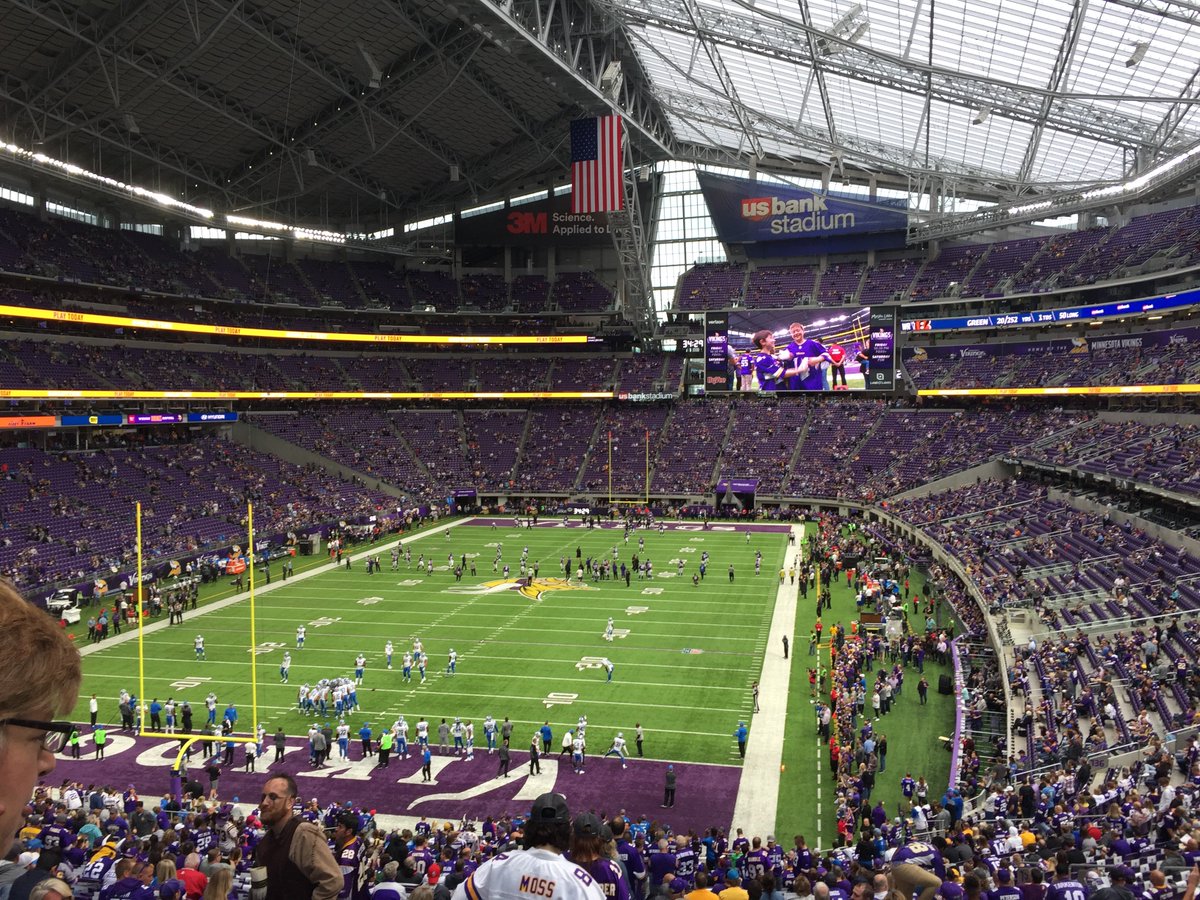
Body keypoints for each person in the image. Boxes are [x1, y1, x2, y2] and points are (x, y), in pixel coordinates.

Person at [450, 793, 605, 900]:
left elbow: (459, 896)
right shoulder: (580, 883)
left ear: (530, 828)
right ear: (566, 831)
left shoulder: (498, 865)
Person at [253, 773, 343, 900]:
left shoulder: (303, 833)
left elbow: (333, 881)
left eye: (273, 797)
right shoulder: (267, 839)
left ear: (290, 802)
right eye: (263, 797)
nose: (264, 803)